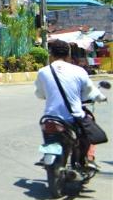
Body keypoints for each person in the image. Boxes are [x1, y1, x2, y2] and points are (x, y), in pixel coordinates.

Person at [35, 40, 106, 170]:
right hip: (74, 117)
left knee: (48, 131)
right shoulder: (79, 71)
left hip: (51, 117)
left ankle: (48, 151)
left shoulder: (43, 72)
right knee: (89, 131)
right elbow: (89, 92)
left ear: (50, 55)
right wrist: (101, 97)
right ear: (69, 55)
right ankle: (86, 159)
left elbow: (39, 94)